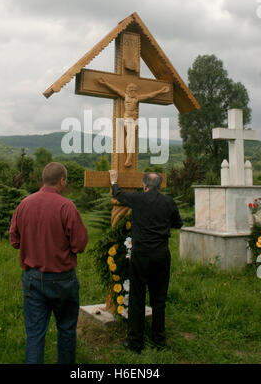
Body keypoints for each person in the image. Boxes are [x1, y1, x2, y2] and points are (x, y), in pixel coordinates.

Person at [9, 162, 88, 364]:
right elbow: (79, 244)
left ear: (44, 179)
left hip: (32, 277)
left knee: (35, 333)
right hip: (63, 279)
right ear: (62, 181)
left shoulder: (24, 204)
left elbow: (14, 240)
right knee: (66, 328)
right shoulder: (66, 206)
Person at [109, 169, 183, 353]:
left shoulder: (138, 198)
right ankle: (159, 341)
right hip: (161, 255)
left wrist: (113, 181)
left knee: (137, 298)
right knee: (159, 300)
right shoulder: (169, 202)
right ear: (159, 186)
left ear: (144, 186)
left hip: (141, 255)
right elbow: (178, 223)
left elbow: (118, 195)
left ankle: (135, 342)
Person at [98, 78, 169, 167]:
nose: (133, 92)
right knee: (130, 137)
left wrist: (160, 91)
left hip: (134, 120)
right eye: (132, 90)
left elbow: (150, 95)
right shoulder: (126, 96)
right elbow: (115, 90)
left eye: (135, 91)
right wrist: (105, 83)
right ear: (128, 91)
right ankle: (129, 158)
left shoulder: (137, 98)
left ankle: (129, 157)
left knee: (131, 138)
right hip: (128, 119)